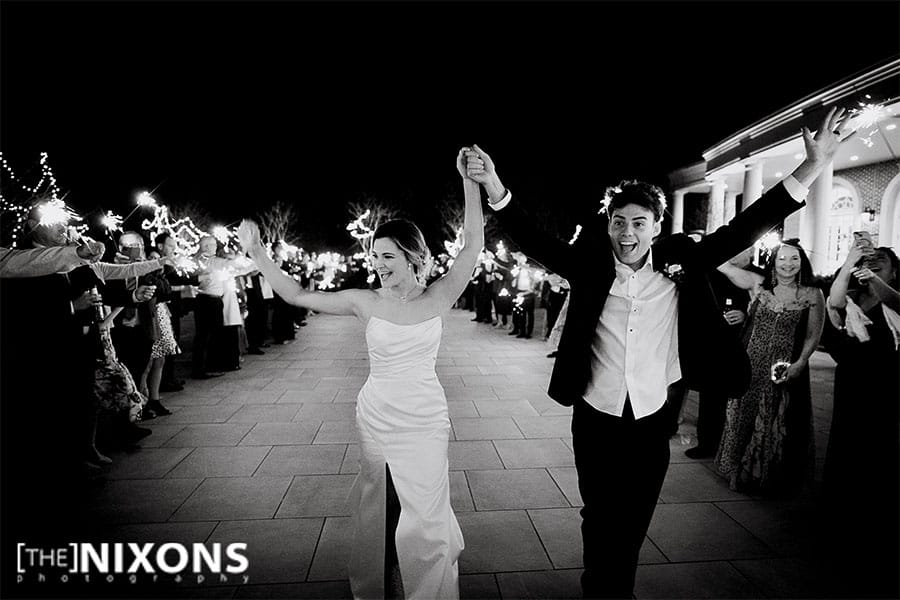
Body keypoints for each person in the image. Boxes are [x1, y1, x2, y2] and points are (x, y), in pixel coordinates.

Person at [463, 107, 853, 598]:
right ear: (608, 224)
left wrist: (812, 167)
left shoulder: (680, 260)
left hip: (653, 419)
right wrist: (495, 185)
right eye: (619, 222)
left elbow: (746, 226)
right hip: (596, 413)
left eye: (639, 224)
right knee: (598, 514)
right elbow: (531, 236)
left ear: (656, 226)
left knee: (633, 520)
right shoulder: (588, 263)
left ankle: (613, 589)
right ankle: (599, 587)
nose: (627, 234)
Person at [238, 147, 481, 599]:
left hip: (426, 416)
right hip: (377, 415)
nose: (379, 265)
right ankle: (379, 577)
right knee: (381, 501)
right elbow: (294, 294)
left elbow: (473, 244)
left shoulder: (442, 294)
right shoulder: (363, 301)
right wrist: (257, 253)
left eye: (388, 256)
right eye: (375, 257)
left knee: (426, 509)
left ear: (413, 255)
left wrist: (469, 180)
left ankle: (428, 587)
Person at [713, 240, 824, 494]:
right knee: (742, 415)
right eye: (782, 258)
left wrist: (801, 363)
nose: (788, 264)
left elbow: (813, 334)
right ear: (773, 261)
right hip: (750, 362)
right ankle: (738, 473)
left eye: (794, 258)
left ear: (802, 262)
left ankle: (768, 477)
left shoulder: (811, 294)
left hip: (782, 365)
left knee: (776, 418)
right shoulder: (758, 284)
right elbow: (723, 266)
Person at [820, 243, 899, 598]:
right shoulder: (851, 296)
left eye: (879, 264)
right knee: (846, 446)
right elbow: (834, 303)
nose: (871, 267)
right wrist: (852, 260)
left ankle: (877, 523)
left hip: (886, 387)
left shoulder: (892, 301)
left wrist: (877, 282)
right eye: (867, 264)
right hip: (851, 383)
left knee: (880, 449)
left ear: (894, 271)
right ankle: (842, 520)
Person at [683, 249, 750, 458]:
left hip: (740, 344)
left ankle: (733, 445)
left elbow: (761, 306)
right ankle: (708, 443)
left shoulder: (756, 276)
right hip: (713, 344)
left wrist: (744, 314)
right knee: (711, 397)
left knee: (737, 397)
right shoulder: (712, 274)